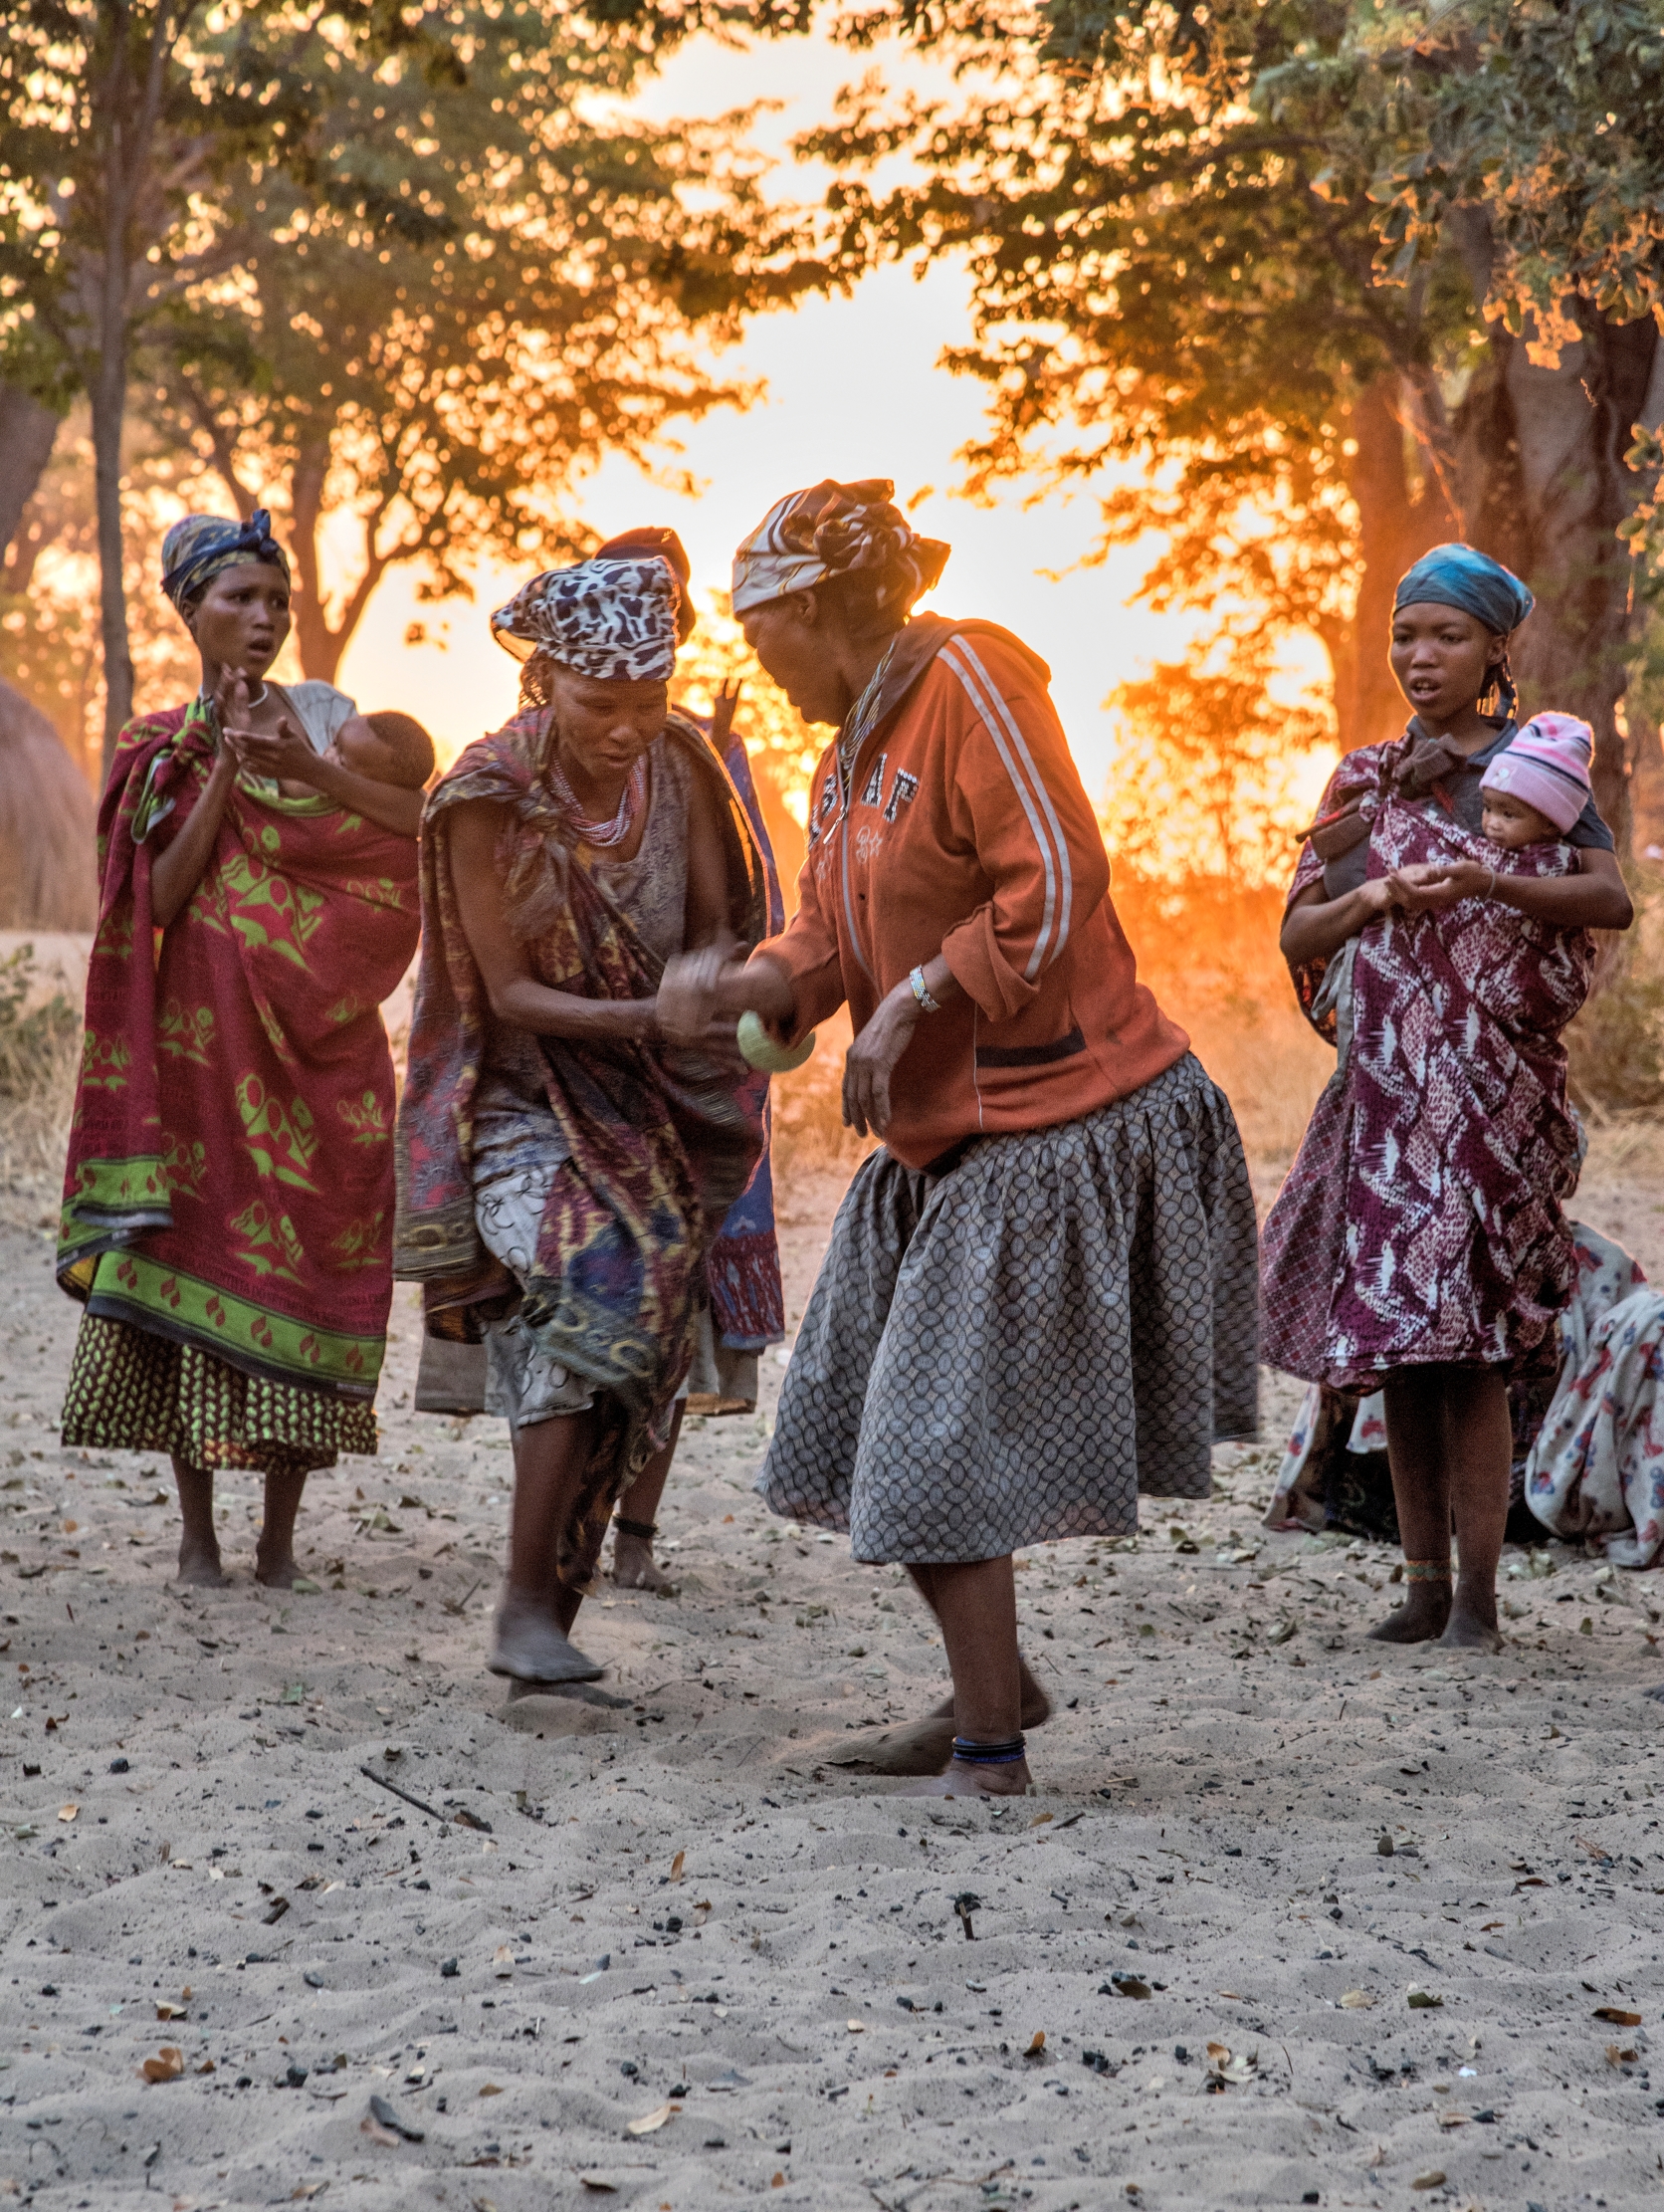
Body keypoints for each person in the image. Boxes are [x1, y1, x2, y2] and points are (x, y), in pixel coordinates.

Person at [658, 478, 1260, 1797]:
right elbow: (830, 933)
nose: (758, 667)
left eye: (765, 637)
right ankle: (996, 1686)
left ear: (819, 610)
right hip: (948, 1131)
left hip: (1056, 1115)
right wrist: (750, 982)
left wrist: (914, 1004)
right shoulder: (851, 753)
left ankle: (990, 1745)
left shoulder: (972, 677)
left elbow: (1057, 875)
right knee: (884, 1424)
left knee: (936, 1444)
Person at [394, 538, 772, 1685]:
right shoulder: (486, 797)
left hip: (648, 1098)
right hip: (519, 1096)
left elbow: (715, 928)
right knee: (595, 1276)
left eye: (647, 700)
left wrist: (720, 991)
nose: (626, 725)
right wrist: (655, 1018)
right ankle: (523, 1605)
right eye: (599, 701)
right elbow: (505, 996)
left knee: (641, 1336)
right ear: (541, 683)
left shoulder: (686, 769)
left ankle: (546, 1616)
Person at [1261, 543, 1634, 1651]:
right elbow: (1296, 928)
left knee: (1467, 1348)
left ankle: (1476, 1599)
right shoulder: (1363, 781)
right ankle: (1421, 1588)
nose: (1420, 658)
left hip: (1495, 1105)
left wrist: (1485, 877)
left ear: (1493, 650)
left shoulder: (1538, 769)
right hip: (1383, 1102)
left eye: (1447, 637)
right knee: (1401, 1349)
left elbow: (1606, 897)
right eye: (1405, 636)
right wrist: (1375, 888)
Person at [57, 510, 422, 1585]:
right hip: (200, 1056)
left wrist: (304, 769)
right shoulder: (151, 746)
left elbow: (404, 855)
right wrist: (222, 762)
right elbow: (157, 895)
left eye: (277, 602)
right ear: (191, 610)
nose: (262, 619)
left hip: (325, 1061)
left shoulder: (336, 733)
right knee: (187, 1269)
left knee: (306, 1264)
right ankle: (200, 1534)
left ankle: (278, 1538)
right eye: (239, 600)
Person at [1478, 713, 1595, 852]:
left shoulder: (1551, 865)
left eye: (1508, 815)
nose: (1492, 824)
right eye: (1488, 809)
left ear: (1550, 825)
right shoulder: (1479, 847)